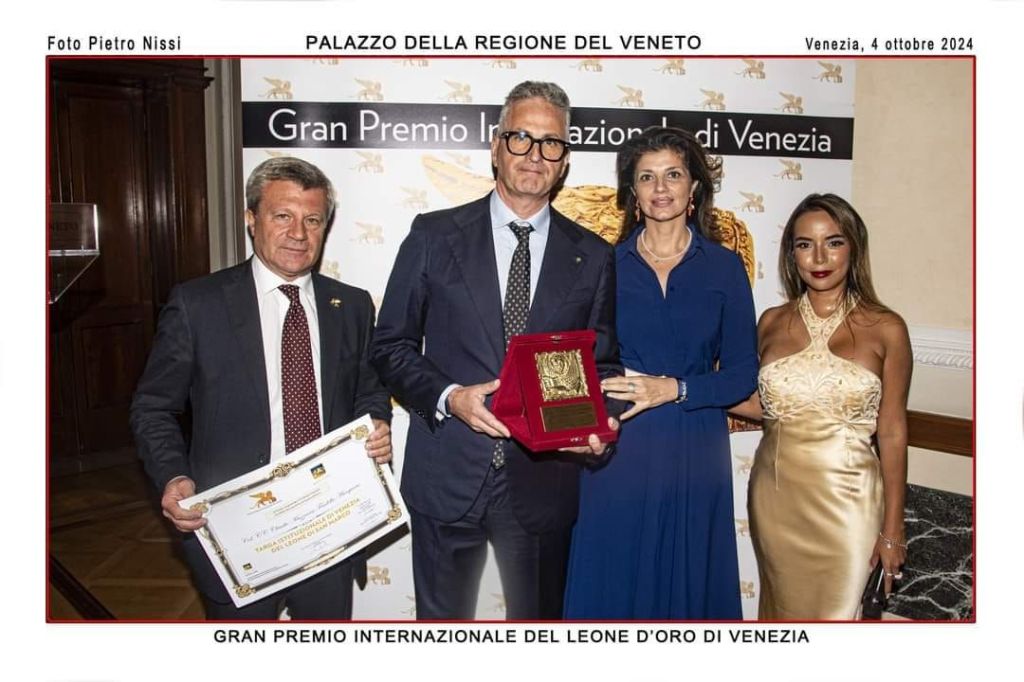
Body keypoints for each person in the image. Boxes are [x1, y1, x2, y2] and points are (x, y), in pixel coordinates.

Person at [370, 81, 620, 620]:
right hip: (447, 474)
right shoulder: (433, 235)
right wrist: (449, 396)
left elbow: (601, 365)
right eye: (520, 138)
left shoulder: (594, 256)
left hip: (543, 484)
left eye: (551, 143)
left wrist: (600, 423)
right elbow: (390, 345)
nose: (534, 155)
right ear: (495, 146)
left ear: (565, 160)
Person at [130, 156, 393, 620]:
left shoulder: (351, 305)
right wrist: (173, 476)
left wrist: (376, 422)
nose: (299, 233)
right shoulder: (197, 304)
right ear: (251, 219)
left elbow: (367, 389)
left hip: (330, 524)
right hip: (237, 531)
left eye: (313, 220)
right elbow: (153, 407)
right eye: (282, 216)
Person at [563, 126, 757, 619]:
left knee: (688, 587)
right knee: (613, 583)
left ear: (694, 187)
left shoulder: (724, 268)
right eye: (646, 177)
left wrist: (676, 388)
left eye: (673, 174)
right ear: (632, 191)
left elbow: (743, 376)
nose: (661, 188)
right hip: (619, 448)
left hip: (695, 448)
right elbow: (576, 362)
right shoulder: (603, 265)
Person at [737, 193, 911, 619]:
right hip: (775, 500)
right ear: (791, 254)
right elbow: (768, 405)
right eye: (804, 244)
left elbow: (892, 431)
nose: (819, 257)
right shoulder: (771, 321)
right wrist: (683, 389)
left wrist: (893, 528)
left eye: (833, 242)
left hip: (850, 504)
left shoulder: (886, 328)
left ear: (854, 247)